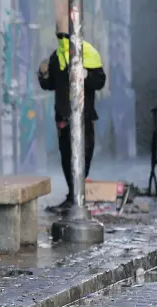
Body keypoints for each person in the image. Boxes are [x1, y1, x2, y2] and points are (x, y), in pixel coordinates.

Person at [38, 28, 106, 212]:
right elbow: (50, 84)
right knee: (67, 156)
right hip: (64, 117)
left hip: (84, 115)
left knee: (84, 154)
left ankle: (77, 196)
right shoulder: (56, 57)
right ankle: (73, 196)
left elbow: (99, 81)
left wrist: (86, 75)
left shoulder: (87, 52)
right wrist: (42, 74)